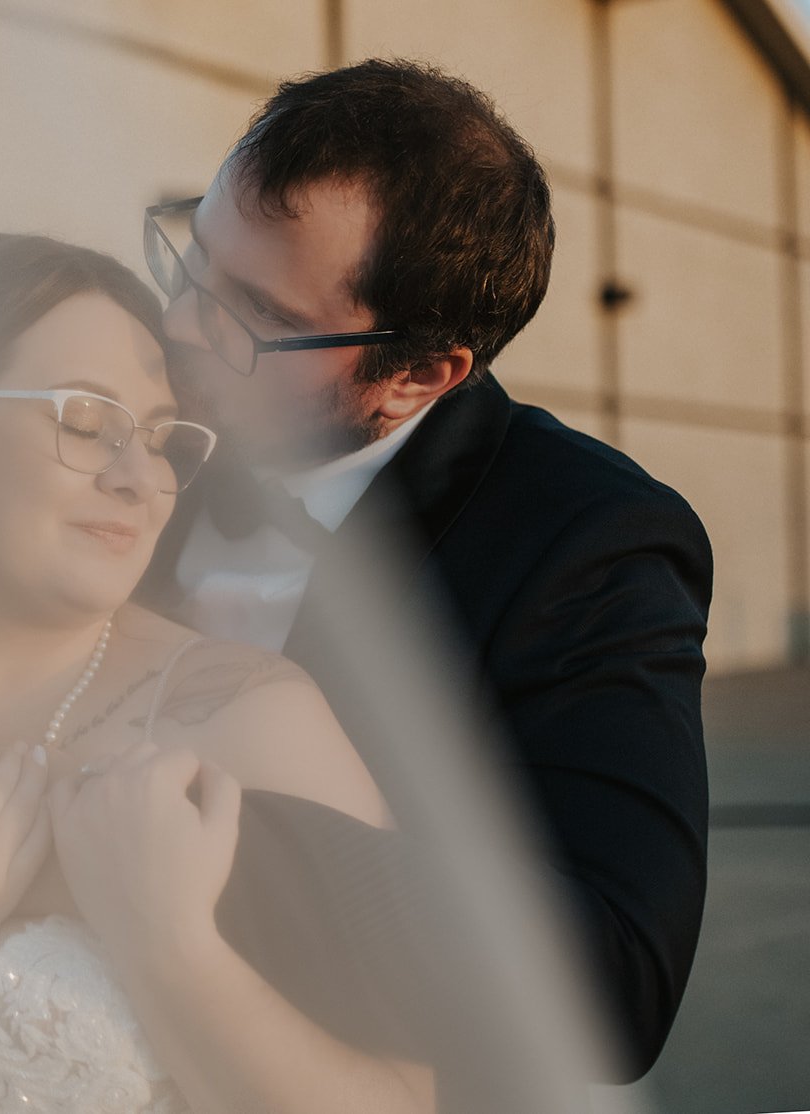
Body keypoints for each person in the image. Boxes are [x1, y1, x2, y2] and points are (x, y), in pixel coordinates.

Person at [0, 232, 437, 1114]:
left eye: (164, 439)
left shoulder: (245, 718)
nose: (141, 479)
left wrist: (167, 944)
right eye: (86, 424)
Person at [136, 58, 712, 1084]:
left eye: (250, 314)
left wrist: (172, 833)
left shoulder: (586, 541)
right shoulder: (132, 419)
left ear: (418, 374)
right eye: (190, 260)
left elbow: (607, 985)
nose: (178, 329)